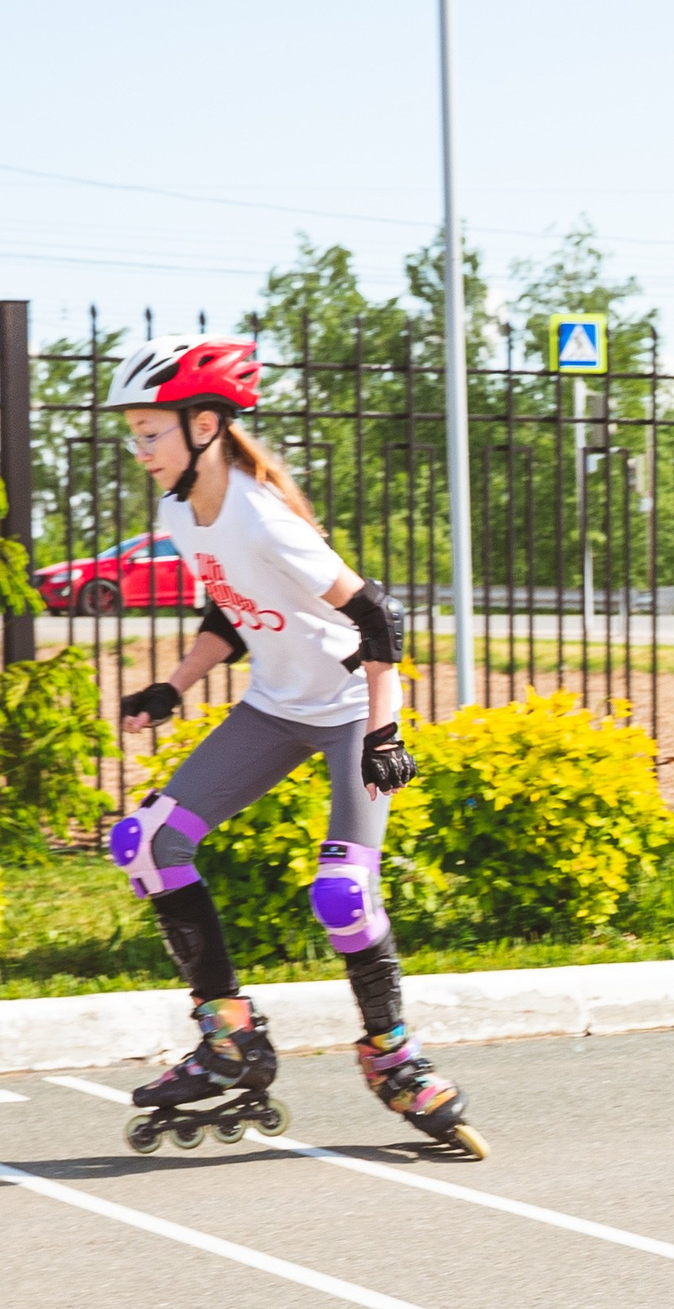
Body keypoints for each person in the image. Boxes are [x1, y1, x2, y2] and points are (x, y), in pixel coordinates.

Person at [103, 334, 484, 1159]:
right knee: (147, 843)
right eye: (133, 435)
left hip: (352, 709)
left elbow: (379, 616)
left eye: (150, 433)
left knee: (343, 895)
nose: (140, 453)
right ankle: (229, 1038)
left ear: (204, 423)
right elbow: (233, 612)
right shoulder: (181, 512)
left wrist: (383, 730)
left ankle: (393, 1056)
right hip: (277, 707)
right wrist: (177, 684)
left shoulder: (261, 514)